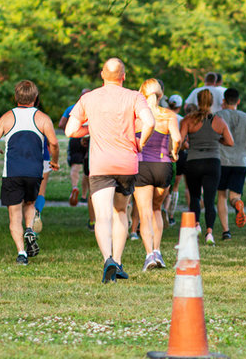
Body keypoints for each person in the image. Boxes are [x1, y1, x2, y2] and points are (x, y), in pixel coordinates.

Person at [66, 58, 156, 283]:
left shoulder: (88, 98)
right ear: (123, 76)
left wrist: (91, 128)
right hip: (127, 163)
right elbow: (150, 122)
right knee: (121, 212)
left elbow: (70, 130)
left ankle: (108, 260)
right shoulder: (135, 97)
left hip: (100, 165)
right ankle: (118, 260)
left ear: (101, 74)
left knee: (102, 215)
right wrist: (141, 143)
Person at [0, 80, 59, 265]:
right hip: (34, 173)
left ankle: (21, 253)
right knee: (30, 204)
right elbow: (54, 143)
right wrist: (55, 161)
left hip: (12, 173)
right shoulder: (43, 118)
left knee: (14, 214)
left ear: (15, 97)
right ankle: (29, 229)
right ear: (35, 98)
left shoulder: (7, 118)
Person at [134, 79, 181, 271]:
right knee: (156, 209)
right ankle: (158, 250)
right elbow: (176, 138)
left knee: (144, 213)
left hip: (142, 165)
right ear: (160, 95)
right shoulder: (169, 115)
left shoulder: (136, 115)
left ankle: (149, 255)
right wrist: (175, 152)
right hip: (163, 166)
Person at [180, 89, 234, 244]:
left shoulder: (188, 120)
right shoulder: (218, 121)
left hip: (193, 162)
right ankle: (209, 232)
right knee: (210, 200)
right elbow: (230, 142)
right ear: (211, 102)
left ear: (198, 101)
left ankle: (196, 224)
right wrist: (217, 141)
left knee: (195, 197)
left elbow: (180, 141)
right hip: (212, 162)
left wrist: (187, 146)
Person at [215, 88, 246, 239]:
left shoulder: (218, 115)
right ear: (238, 101)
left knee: (221, 196)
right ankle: (238, 204)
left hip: (221, 160)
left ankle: (226, 231)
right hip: (241, 161)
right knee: (234, 196)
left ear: (224, 101)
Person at [59, 88, 91, 207]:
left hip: (76, 138)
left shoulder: (72, 108)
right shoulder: (95, 108)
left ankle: (74, 187)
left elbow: (61, 124)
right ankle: (84, 196)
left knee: (75, 166)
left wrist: (69, 130)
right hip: (90, 139)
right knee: (87, 169)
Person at [163, 94, 186, 226]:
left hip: (162, 153)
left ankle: (161, 209)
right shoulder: (181, 120)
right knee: (175, 187)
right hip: (178, 154)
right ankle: (170, 214)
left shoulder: (163, 117)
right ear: (180, 106)